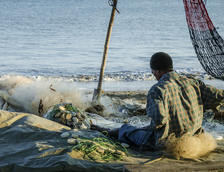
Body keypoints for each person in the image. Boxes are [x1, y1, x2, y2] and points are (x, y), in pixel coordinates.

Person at [91, 52, 224, 150]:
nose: (153, 73)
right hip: (194, 137)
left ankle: (103, 130)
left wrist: (147, 128)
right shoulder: (194, 83)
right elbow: (219, 96)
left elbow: (159, 121)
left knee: (125, 129)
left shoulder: (157, 89)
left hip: (166, 143)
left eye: (153, 70)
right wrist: (209, 107)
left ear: (159, 70)